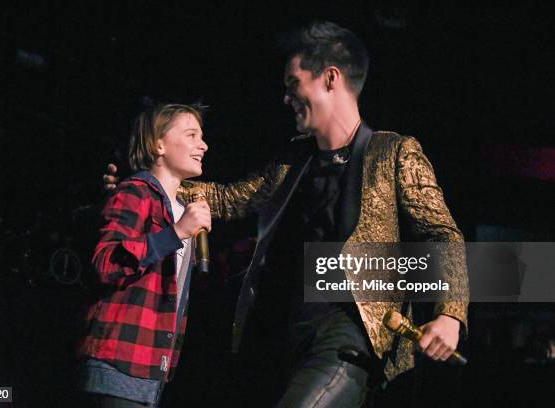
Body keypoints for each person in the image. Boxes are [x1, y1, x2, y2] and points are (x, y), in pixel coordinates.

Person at [104, 22, 468, 407]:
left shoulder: (394, 152)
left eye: (294, 84)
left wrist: (450, 315)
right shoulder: (295, 158)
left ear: (330, 78)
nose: (286, 98)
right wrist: (149, 180)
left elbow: (442, 234)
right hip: (287, 334)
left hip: (351, 337)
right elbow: (230, 198)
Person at [80, 102, 211, 407]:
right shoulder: (135, 192)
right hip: (118, 360)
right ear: (158, 144)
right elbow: (106, 263)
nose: (203, 145)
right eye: (191, 135)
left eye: (201, 137)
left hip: (154, 366)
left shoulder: (184, 209)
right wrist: (175, 234)